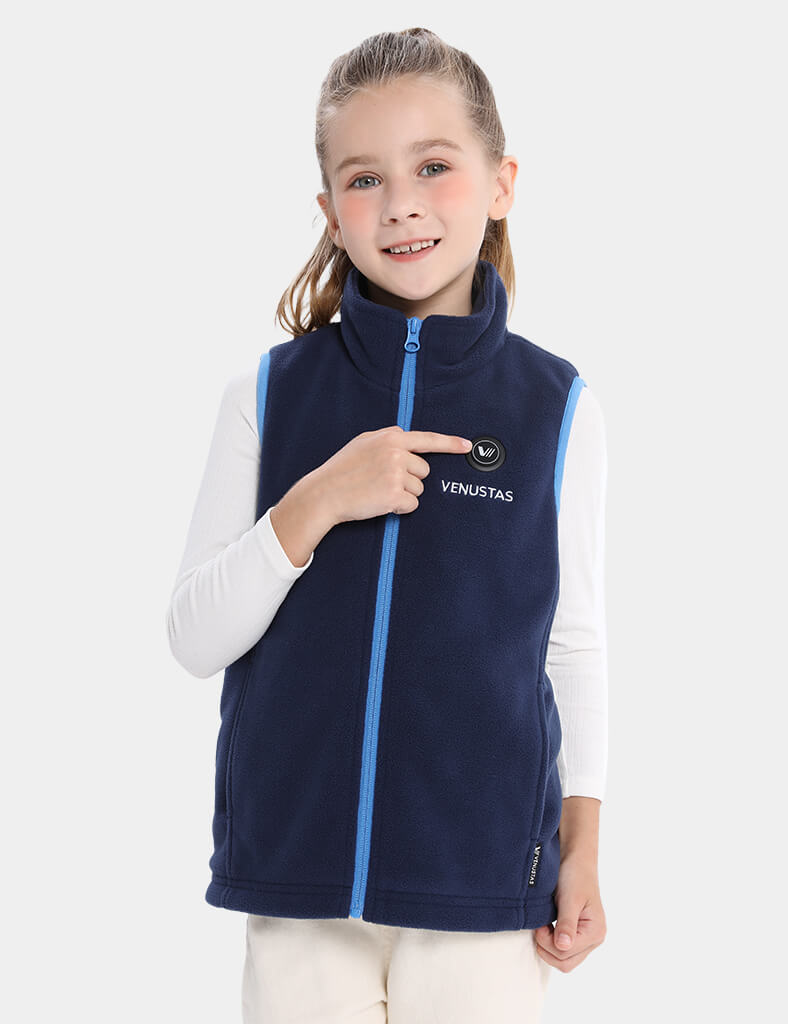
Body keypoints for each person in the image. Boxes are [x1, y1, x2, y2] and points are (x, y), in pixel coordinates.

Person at [166, 26, 608, 1024]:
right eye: (364, 179)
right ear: (330, 213)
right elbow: (194, 636)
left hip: (481, 879)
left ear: (501, 183)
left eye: (433, 166)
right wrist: (317, 500)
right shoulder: (268, 396)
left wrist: (581, 849)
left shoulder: (555, 406)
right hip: (298, 876)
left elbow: (572, 644)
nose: (401, 202)